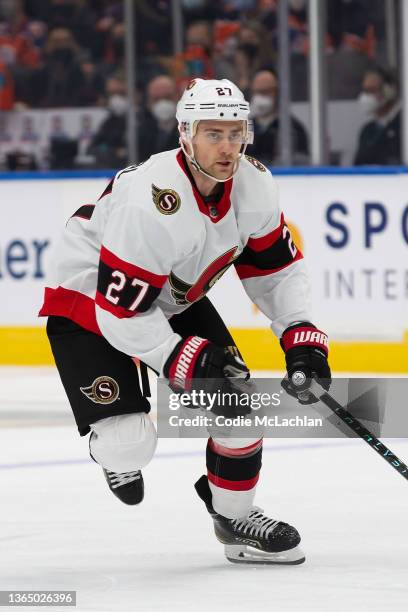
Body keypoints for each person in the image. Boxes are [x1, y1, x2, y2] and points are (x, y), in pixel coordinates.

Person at [39, 78, 331, 565]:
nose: (227, 147)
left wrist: (301, 337)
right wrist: (183, 358)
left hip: (173, 295)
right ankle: (113, 451)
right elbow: (121, 313)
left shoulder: (254, 185)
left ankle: (235, 519)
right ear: (185, 134)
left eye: (236, 133)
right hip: (90, 300)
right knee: (130, 445)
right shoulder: (152, 201)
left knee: (239, 407)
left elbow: (275, 271)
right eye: (213, 133)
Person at [246, 69, 309, 165]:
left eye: (266, 92)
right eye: (257, 92)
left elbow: (301, 162)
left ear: (277, 93)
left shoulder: (293, 129)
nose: (260, 97)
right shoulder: (244, 128)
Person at [354, 67, 400, 165]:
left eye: (371, 90)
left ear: (389, 91)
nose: (366, 96)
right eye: (365, 90)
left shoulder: (403, 125)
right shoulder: (367, 131)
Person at [138, 75, 180, 161]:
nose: (163, 103)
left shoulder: (191, 131)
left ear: (178, 97)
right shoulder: (141, 131)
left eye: (168, 97)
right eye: (156, 99)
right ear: (149, 102)